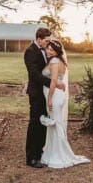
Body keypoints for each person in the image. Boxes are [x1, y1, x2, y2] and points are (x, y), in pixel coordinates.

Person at [40, 39, 90, 169]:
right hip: (57, 94)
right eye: (48, 48)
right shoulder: (58, 61)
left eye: (52, 49)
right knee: (56, 123)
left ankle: (60, 154)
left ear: (57, 52)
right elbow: (56, 80)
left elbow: (53, 81)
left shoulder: (55, 61)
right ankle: (52, 152)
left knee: (56, 124)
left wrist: (49, 98)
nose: (48, 51)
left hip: (55, 96)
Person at [24, 28, 65, 168]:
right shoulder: (30, 52)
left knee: (43, 123)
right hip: (36, 93)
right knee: (35, 123)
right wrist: (54, 84)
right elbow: (34, 75)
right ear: (39, 39)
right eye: (46, 41)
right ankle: (31, 158)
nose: (48, 44)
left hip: (45, 93)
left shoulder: (45, 51)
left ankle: (40, 152)